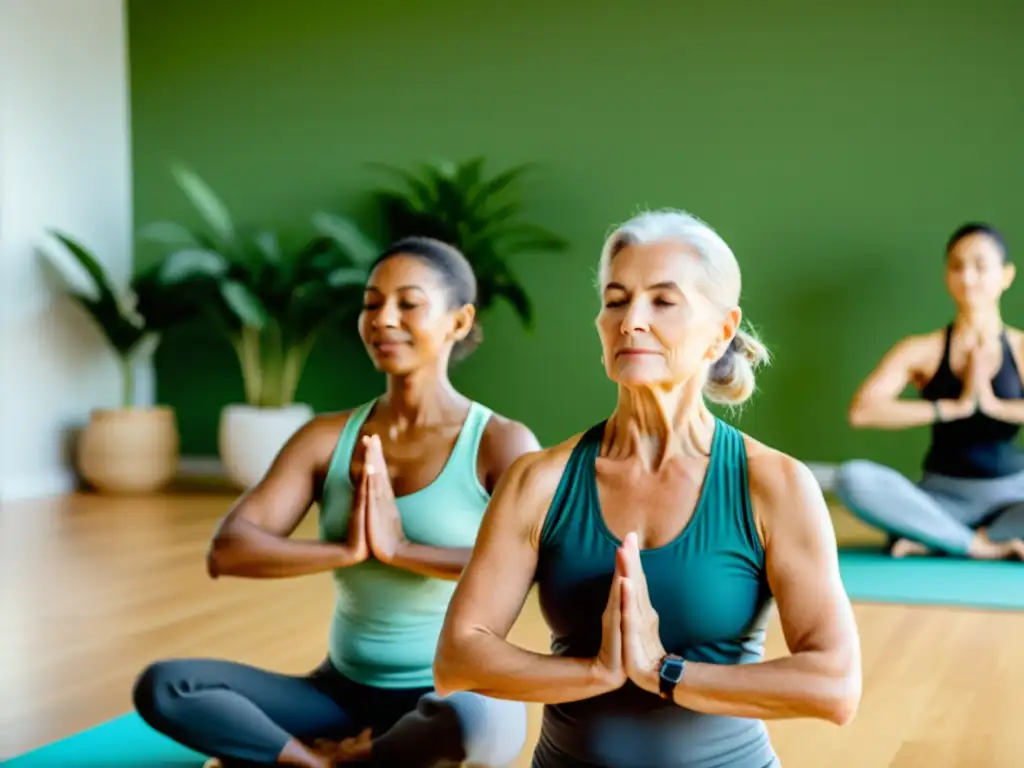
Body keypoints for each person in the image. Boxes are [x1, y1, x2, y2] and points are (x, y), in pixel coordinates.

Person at [433, 209, 863, 768]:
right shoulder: (540, 481)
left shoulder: (772, 484)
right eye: (616, 299)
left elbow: (834, 685)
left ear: (721, 331)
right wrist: (597, 671)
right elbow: (459, 658)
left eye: (663, 301)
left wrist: (663, 672)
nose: (631, 320)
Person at [132, 236, 539, 768]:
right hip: (338, 695)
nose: (382, 319)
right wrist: (347, 551)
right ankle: (326, 761)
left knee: (479, 720)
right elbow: (230, 550)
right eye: (371, 303)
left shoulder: (499, 441)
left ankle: (325, 759)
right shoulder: (326, 437)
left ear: (458, 322)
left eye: (408, 303)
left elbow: (530, 567)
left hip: (449, 690)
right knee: (166, 686)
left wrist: (399, 549)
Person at [836, 223, 1024, 560]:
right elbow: (862, 411)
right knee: (851, 478)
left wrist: (991, 404)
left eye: (980, 266)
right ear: (946, 275)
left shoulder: (1021, 348)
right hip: (941, 499)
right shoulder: (922, 350)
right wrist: (953, 407)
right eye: (957, 266)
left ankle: (944, 538)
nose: (967, 277)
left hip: (1014, 498)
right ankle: (976, 544)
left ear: (1006, 276)